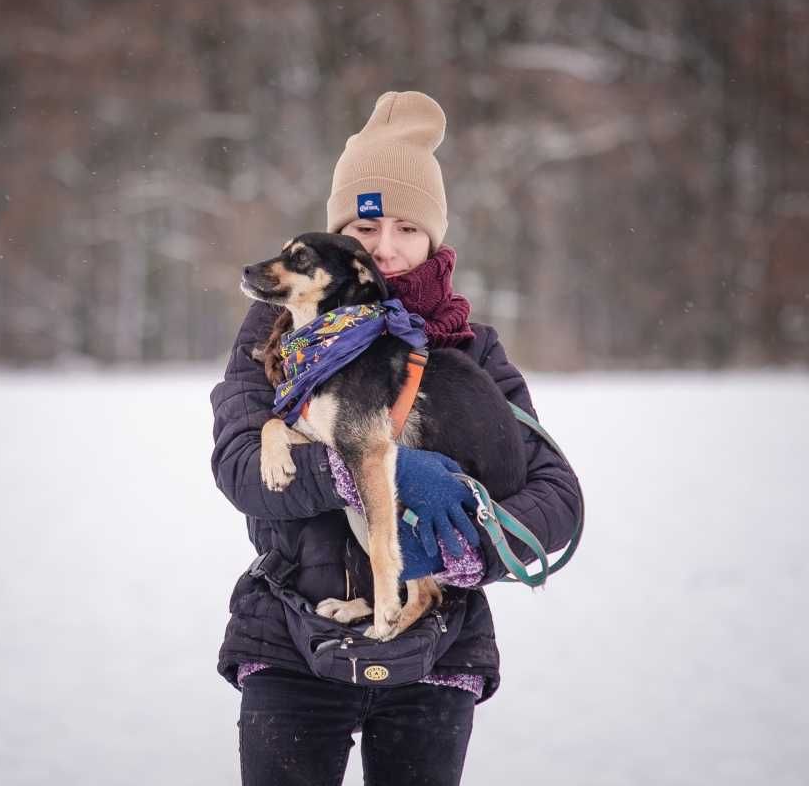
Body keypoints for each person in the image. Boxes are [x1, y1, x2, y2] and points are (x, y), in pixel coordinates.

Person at [210, 91, 582, 786]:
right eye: (365, 224)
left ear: (434, 239)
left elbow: (555, 496)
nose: (386, 247)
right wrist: (363, 469)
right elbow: (238, 466)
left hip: (437, 653)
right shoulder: (275, 338)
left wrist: (473, 536)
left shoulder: (471, 350)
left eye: (407, 227)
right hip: (291, 637)